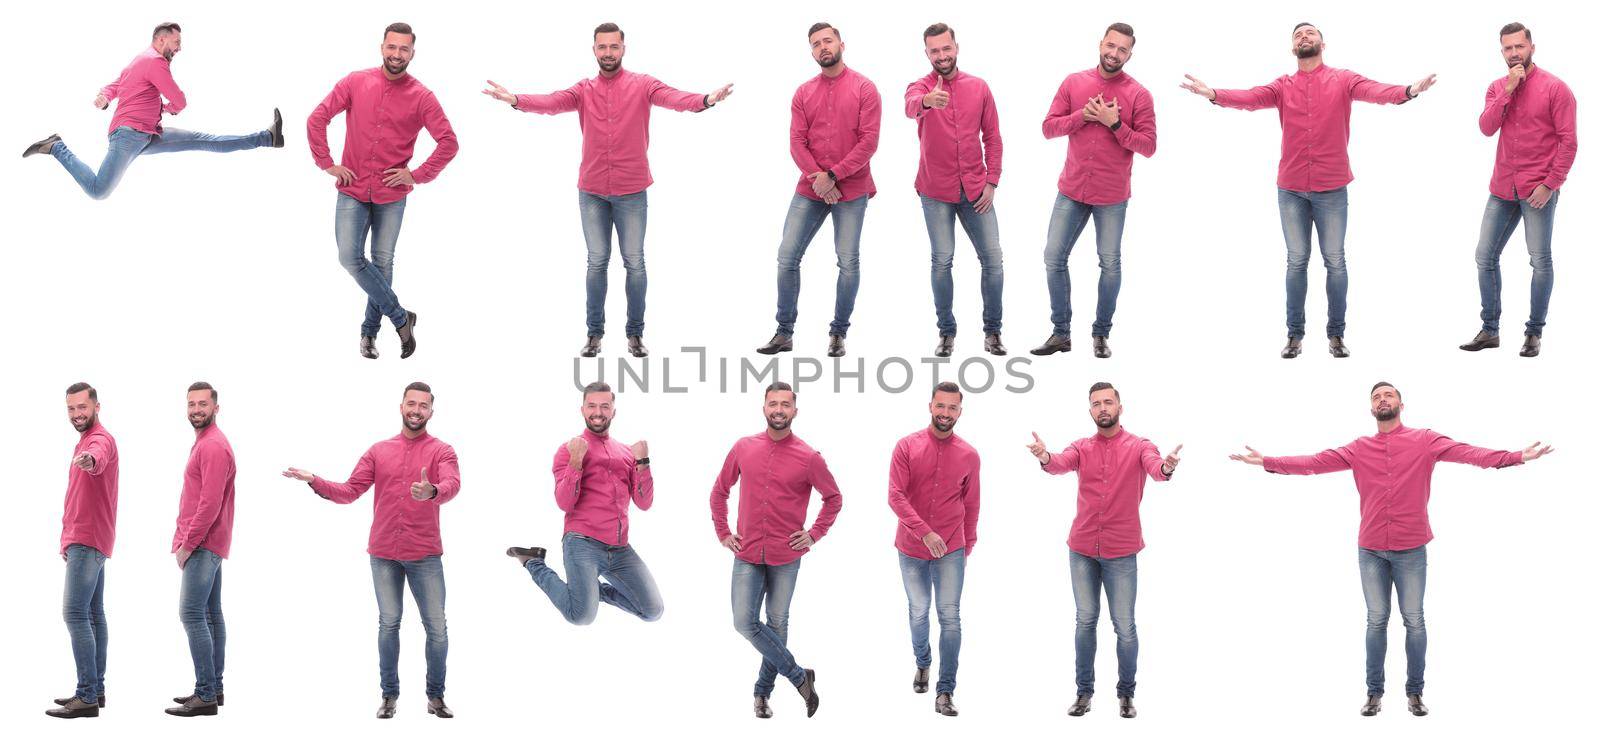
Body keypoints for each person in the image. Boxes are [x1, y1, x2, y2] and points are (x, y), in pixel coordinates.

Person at [1229, 381, 1553, 716]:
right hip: (1370, 549)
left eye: (1389, 395)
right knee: (1376, 620)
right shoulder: (1358, 448)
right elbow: (1314, 462)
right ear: (1371, 408)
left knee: (1414, 620)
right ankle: (1374, 693)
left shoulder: (1426, 440)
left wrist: (1516, 457)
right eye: (1376, 396)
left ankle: (1415, 693)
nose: (1383, 399)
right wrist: (1266, 460)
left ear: (1401, 403)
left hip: (1411, 548)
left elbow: (1471, 454)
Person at [1181, 23, 1435, 358]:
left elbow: (1376, 91)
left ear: (1322, 43)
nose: (1304, 37)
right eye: (1298, 35)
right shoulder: (1283, 86)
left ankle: (1336, 336)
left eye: (1310, 33)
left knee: (1335, 261)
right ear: (1292, 49)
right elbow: (1251, 97)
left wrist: (1409, 90)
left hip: (1332, 188)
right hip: (1291, 189)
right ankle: (1294, 335)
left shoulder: (1343, 79)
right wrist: (1214, 94)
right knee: (1296, 261)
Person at [483, 23, 733, 358]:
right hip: (593, 191)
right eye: (602, 47)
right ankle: (594, 334)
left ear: (623, 49)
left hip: (632, 190)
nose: (608, 53)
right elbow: (552, 102)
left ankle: (635, 334)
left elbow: (675, 98)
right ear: (594, 50)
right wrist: (516, 100)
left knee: (635, 262)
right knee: (596, 262)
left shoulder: (643, 85)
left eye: (614, 47)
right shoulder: (584, 89)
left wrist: (705, 100)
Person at [284, 381, 462, 719]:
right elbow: (350, 490)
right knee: (388, 623)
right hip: (383, 554)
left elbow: (453, 484)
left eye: (423, 405)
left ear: (431, 412)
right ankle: (389, 696)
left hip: (425, 554)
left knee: (436, 627)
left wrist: (433, 491)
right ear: (401, 406)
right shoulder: (379, 450)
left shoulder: (442, 451)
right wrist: (314, 480)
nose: (416, 410)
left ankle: (435, 697)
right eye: (411, 403)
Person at [1026, 382, 1180, 718]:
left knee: (1124, 625)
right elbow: (1060, 463)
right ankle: (1084, 693)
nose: (1102, 408)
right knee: (1085, 621)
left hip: (1121, 551)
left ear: (1121, 407)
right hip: (1081, 549)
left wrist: (1167, 467)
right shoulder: (1081, 447)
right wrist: (1045, 456)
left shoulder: (1140, 445)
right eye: (1096, 403)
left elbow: (1156, 469)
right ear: (1090, 410)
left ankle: (1126, 694)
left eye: (1108, 402)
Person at [308, 22, 459, 360]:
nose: (396, 54)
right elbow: (317, 118)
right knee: (349, 257)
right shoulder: (355, 81)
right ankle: (402, 318)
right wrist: (326, 162)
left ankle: (368, 334)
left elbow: (449, 142)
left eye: (404, 49)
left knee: (382, 261)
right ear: (382, 47)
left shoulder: (422, 96)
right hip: (352, 188)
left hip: (392, 195)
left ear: (412, 53)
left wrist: (416, 175)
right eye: (392, 47)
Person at [23, 22, 282, 199]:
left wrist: (105, 95)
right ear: (161, 39)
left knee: (207, 141)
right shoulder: (155, 61)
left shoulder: (141, 59)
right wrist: (170, 108)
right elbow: (179, 100)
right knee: (98, 191)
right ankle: (56, 146)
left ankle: (268, 137)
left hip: (147, 134)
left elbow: (118, 83)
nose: (179, 47)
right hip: (129, 136)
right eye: (176, 41)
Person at [709, 382, 842, 718]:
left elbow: (834, 498)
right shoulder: (743, 447)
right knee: (744, 622)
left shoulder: (810, 457)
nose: (779, 410)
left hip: (786, 555)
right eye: (773, 404)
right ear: (763, 407)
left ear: (795, 410)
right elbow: (719, 492)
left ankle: (762, 693)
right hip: (747, 552)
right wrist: (724, 532)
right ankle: (800, 677)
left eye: (785, 404)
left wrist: (814, 535)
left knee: (777, 622)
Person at [755, 22, 880, 358]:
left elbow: (869, 142)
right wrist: (818, 178)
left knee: (848, 261)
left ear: (842, 43)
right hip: (811, 188)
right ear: (811, 52)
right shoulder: (803, 92)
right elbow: (796, 141)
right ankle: (784, 332)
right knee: (787, 256)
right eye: (816, 44)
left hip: (851, 189)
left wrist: (834, 176)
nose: (823, 47)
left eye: (828, 41)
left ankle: (838, 333)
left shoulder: (865, 88)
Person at [1032, 23, 1156, 360]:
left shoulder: (1139, 94)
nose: (1114, 54)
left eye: (1123, 50)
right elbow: (1047, 128)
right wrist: (1082, 116)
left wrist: (1115, 124)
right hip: (1071, 190)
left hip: (1112, 196)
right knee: (1053, 257)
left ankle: (1101, 334)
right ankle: (1061, 333)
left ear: (1130, 54)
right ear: (1101, 43)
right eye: (1111, 46)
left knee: (1110, 263)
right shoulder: (1074, 82)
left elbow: (1148, 146)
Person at [1459, 22, 1577, 358]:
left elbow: (1569, 143)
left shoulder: (1556, 89)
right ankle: (1490, 330)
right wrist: (1509, 89)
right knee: (1484, 256)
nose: (1514, 54)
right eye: (1508, 49)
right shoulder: (1498, 86)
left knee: (1539, 260)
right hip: (1501, 188)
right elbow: (1486, 127)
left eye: (1519, 47)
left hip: (1537, 190)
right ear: (1502, 52)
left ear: (1532, 48)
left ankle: (1533, 333)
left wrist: (1550, 185)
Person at [508, 381, 664, 624]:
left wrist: (643, 462)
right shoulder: (569, 450)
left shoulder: (626, 452)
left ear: (614, 411)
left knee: (652, 610)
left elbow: (644, 503)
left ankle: (588, 591)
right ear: (582, 410)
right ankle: (533, 562)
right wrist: (576, 462)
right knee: (581, 616)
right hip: (582, 543)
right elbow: (564, 503)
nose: (598, 412)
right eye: (591, 406)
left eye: (604, 406)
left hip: (620, 548)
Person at [906, 23, 1005, 358]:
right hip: (935, 191)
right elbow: (910, 105)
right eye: (935, 51)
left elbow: (992, 137)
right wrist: (928, 101)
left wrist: (992, 181)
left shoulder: (979, 87)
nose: (942, 56)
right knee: (941, 260)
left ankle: (993, 332)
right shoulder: (920, 88)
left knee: (993, 261)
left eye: (946, 49)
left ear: (956, 48)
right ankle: (946, 333)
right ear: (927, 54)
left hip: (977, 190)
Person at [887, 382, 981, 716]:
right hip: (911, 547)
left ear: (960, 411)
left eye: (952, 408)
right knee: (918, 610)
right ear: (930, 406)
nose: (945, 413)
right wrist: (925, 533)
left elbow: (971, 503)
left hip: (952, 549)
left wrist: (966, 546)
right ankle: (923, 662)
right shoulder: (906, 446)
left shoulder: (969, 455)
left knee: (950, 616)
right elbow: (895, 496)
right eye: (940, 406)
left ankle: (945, 691)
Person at [47, 383, 119, 719]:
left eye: (82, 408)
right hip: (88, 539)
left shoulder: (97, 441)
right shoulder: (83, 440)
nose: (77, 414)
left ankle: (87, 694)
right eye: (71, 409)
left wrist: (90, 460)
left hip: (87, 540)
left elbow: (98, 456)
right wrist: (66, 537)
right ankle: (96, 690)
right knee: (93, 615)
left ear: (96, 407)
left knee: (74, 614)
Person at [166, 382, 237, 717]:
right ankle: (214, 687)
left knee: (191, 614)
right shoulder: (207, 443)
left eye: (203, 404)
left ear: (216, 408)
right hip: (211, 543)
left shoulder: (212, 447)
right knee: (211, 615)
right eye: (192, 404)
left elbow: (209, 505)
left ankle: (206, 692)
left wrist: (186, 545)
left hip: (204, 544)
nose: (196, 409)